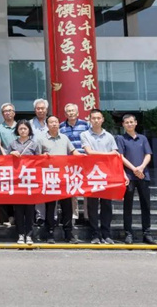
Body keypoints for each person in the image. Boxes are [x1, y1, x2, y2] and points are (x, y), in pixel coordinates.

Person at [36, 115, 82, 244]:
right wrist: (42, 156)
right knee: (50, 207)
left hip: (64, 177)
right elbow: (36, 157)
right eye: (51, 122)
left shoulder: (64, 138)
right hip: (49, 177)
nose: (54, 124)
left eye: (56, 122)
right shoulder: (41, 139)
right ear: (47, 124)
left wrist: (85, 158)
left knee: (67, 206)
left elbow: (73, 151)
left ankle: (68, 233)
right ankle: (50, 232)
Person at [80, 109, 123, 245]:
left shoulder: (109, 136)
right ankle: (95, 234)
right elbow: (89, 152)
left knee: (107, 205)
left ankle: (106, 234)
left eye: (98, 118)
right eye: (93, 118)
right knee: (92, 206)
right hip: (91, 173)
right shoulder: (85, 134)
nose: (96, 120)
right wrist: (108, 154)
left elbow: (115, 153)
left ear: (102, 119)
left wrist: (105, 155)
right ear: (89, 120)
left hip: (106, 174)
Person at [116, 114, 157, 245]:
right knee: (128, 206)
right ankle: (128, 233)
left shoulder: (142, 138)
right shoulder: (120, 138)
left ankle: (147, 233)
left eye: (131, 122)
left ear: (136, 123)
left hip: (143, 175)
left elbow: (148, 154)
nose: (129, 124)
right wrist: (134, 169)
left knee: (146, 205)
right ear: (123, 125)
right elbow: (120, 157)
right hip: (129, 176)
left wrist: (141, 167)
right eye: (126, 122)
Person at [8, 120, 39, 245]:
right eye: (20, 129)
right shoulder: (12, 144)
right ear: (17, 130)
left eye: (25, 128)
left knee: (30, 210)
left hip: (30, 182)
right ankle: (20, 234)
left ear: (29, 130)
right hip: (17, 182)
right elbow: (5, 160)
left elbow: (39, 161)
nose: (23, 131)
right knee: (19, 210)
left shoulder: (34, 144)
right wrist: (11, 153)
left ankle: (29, 235)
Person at [59, 103, 91, 222]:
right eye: (68, 111)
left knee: (87, 187)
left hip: (84, 160)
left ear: (77, 113)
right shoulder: (61, 127)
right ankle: (74, 215)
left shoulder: (86, 125)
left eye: (73, 111)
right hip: (69, 161)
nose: (71, 113)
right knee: (72, 187)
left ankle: (88, 215)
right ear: (65, 114)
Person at [31, 98, 49, 225]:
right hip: (35, 161)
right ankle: (40, 216)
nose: (40, 110)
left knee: (52, 187)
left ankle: (53, 216)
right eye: (38, 108)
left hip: (50, 161)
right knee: (39, 188)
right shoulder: (30, 124)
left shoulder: (52, 122)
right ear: (35, 110)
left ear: (46, 110)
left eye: (43, 108)